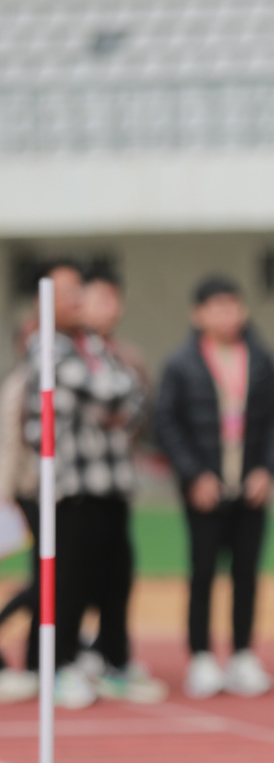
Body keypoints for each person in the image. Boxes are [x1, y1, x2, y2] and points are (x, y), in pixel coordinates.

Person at [22, 259, 161, 708]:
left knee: (117, 577)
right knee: (69, 581)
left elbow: (134, 398)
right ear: (44, 299)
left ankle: (112, 662)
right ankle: (59, 665)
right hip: (73, 486)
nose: (76, 299)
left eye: (78, 290)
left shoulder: (95, 345)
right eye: (65, 292)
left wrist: (110, 403)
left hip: (114, 482)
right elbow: (105, 393)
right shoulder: (46, 347)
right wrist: (110, 400)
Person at [155, 275, 274, 699]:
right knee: (202, 573)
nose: (227, 315)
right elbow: (167, 425)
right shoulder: (181, 363)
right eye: (216, 307)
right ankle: (200, 657)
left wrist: (267, 470)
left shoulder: (261, 359)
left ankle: (243, 655)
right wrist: (194, 475)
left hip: (250, 487)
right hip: (204, 490)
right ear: (198, 314)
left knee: (246, 573)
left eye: (233, 306)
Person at [0, 315, 40, 703]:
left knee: (56, 576)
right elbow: (12, 443)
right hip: (27, 491)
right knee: (48, 576)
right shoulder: (19, 386)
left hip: (61, 493)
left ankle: (41, 656)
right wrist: (6, 492)